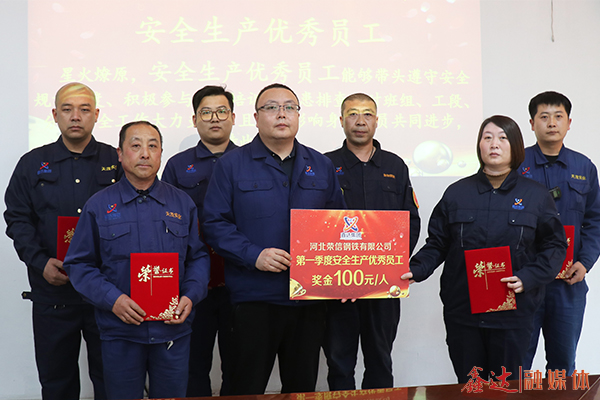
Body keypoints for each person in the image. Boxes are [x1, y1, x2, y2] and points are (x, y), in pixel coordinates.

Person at [202, 83, 346, 395]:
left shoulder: (321, 165)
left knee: (301, 388)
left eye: (289, 107)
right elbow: (214, 223)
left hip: (308, 301)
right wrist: (253, 254)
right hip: (254, 299)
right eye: (271, 107)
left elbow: (339, 226)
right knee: (245, 387)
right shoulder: (232, 164)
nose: (282, 114)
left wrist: (345, 277)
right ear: (256, 117)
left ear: (298, 115)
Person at [401, 115, 567, 383]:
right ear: (479, 145)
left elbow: (555, 245)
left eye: (502, 138)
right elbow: (438, 243)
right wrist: (416, 269)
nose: (494, 144)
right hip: (463, 312)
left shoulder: (536, 195)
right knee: (470, 388)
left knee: (507, 389)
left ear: (515, 146)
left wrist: (528, 277)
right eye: (487, 137)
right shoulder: (457, 193)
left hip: (513, 314)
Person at [62, 121, 210, 399]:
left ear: (161, 153)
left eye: (153, 146)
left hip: (172, 333)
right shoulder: (99, 205)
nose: (145, 153)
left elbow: (198, 257)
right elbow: (79, 264)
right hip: (121, 333)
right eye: (136, 145)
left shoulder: (182, 203)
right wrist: (113, 300)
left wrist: (191, 295)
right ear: (120, 154)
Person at [4, 82, 121, 400]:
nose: (76, 116)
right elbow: (17, 218)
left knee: (113, 382)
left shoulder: (116, 160)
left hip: (107, 291)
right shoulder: (32, 163)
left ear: (96, 115)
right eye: (67, 109)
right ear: (55, 115)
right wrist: (40, 262)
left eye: (84, 109)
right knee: (57, 384)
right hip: (52, 291)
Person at [323, 93, 420, 390]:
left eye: (367, 114)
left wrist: (392, 264)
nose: (360, 121)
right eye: (352, 114)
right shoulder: (325, 164)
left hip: (383, 283)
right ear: (341, 121)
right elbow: (316, 223)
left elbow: (410, 220)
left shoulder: (395, 165)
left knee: (380, 359)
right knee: (339, 362)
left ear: (376, 121)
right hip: (338, 284)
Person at [162, 85, 237, 396]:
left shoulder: (250, 160)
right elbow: (164, 224)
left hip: (240, 281)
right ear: (195, 120)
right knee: (193, 366)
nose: (214, 118)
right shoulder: (177, 165)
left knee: (239, 366)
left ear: (233, 117)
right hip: (192, 284)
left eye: (221, 111)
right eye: (206, 112)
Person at [521, 91, 600, 375]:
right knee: (516, 365)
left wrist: (585, 262)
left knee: (563, 367)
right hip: (525, 281)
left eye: (558, 116)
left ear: (569, 123)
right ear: (532, 124)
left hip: (568, 282)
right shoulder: (516, 164)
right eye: (544, 117)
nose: (552, 123)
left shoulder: (584, 167)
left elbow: (595, 220)